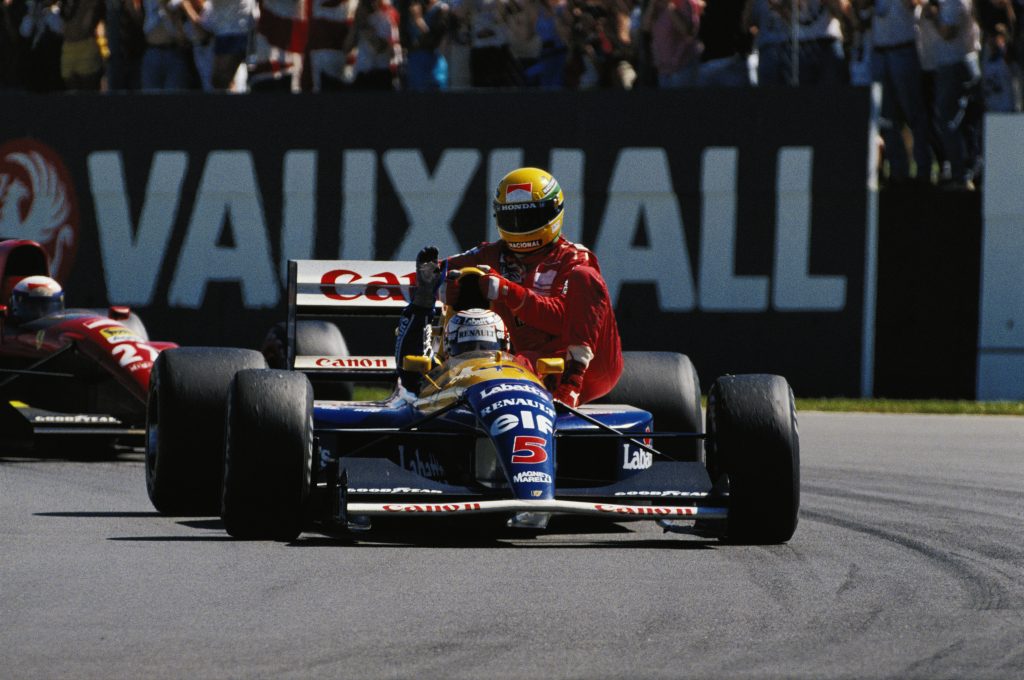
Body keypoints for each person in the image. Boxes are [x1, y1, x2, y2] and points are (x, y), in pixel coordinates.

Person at [396, 166, 623, 408]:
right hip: (527, 363)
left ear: (553, 213)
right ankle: (440, 384)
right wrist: (440, 286)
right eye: (511, 218)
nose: (519, 226)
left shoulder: (575, 258)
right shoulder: (490, 254)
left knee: (584, 277)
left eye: (529, 218)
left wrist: (507, 291)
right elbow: (428, 274)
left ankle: (571, 386)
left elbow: (562, 320)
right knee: (468, 283)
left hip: (594, 369)